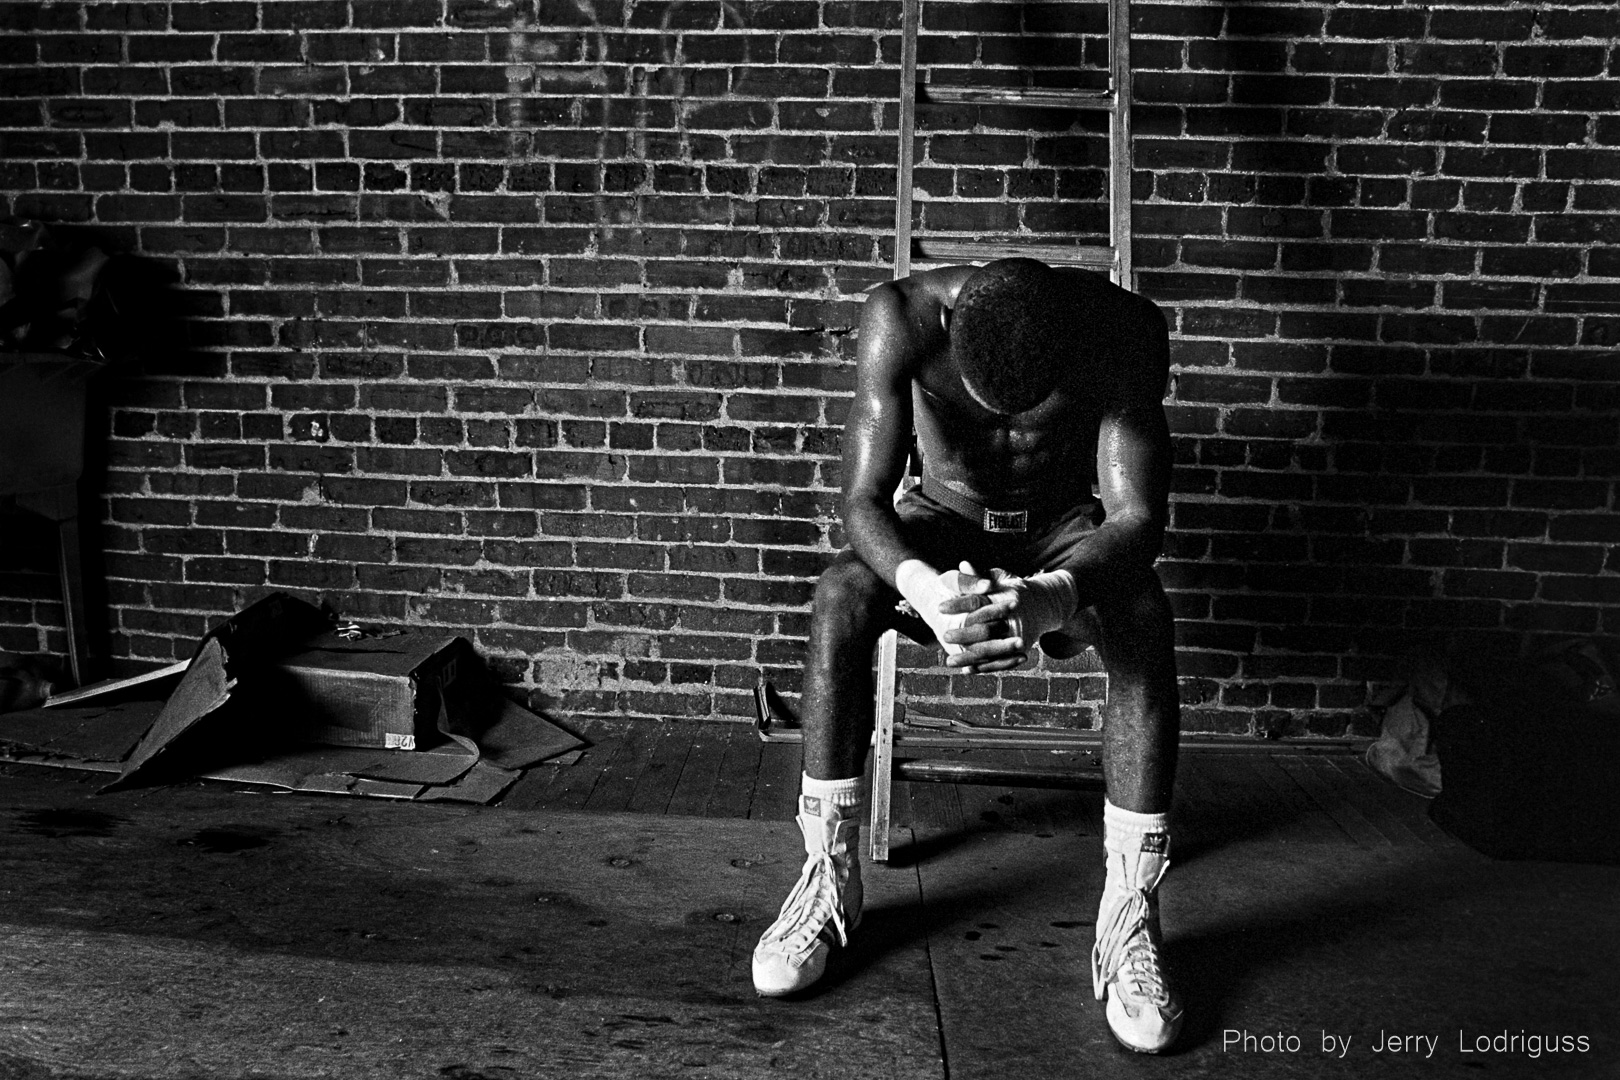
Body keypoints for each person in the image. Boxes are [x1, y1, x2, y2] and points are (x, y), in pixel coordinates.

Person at [750, 258, 1184, 1054]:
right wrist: (919, 581)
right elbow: (862, 499)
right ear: (950, 332)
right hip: (942, 524)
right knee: (841, 596)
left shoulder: (1124, 330)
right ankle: (827, 876)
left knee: (1144, 613)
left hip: (1062, 530)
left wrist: (1054, 593)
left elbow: (1138, 516)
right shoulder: (901, 318)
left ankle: (1131, 915)